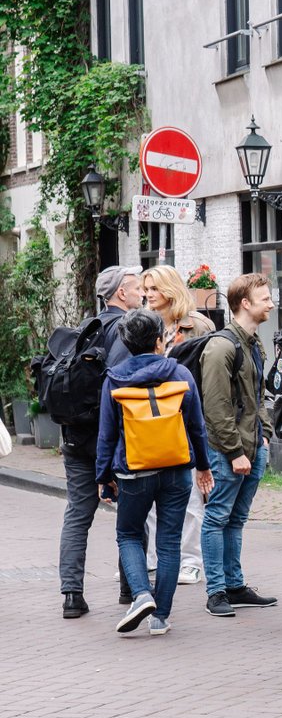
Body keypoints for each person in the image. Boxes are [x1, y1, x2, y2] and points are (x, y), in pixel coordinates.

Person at [95, 309, 216, 636]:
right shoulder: (180, 374)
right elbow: (197, 426)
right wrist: (203, 466)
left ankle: (141, 594)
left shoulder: (114, 379)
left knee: (129, 534)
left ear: (126, 343)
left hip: (133, 471)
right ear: (160, 341)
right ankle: (160, 616)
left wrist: (103, 477)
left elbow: (107, 434)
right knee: (169, 542)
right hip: (177, 469)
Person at [58, 265, 138, 618]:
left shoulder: (84, 328)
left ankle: (72, 595)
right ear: (121, 293)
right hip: (114, 439)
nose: (141, 292)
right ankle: (131, 587)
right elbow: (121, 385)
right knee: (132, 515)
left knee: (78, 515)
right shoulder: (124, 329)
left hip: (76, 437)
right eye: (136, 287)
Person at [198, 273, 279, 618]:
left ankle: (234, 586)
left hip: (253, 445)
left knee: (236, 519)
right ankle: (216, 591)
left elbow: (258, 394)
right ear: (245, 303)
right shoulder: (221, 346)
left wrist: (264, 434)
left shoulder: (253, 342)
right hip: (227, 450)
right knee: (217, 517)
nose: (271, 303)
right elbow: (215, 407)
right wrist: (234, 451)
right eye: (265, 298)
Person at [140, 265, 215, 586]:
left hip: (185, 417)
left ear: (170, 290)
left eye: (154, 288)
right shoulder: (143, 324)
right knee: (150, 494)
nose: (148, 294)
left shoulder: (197, 325)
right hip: (150, 418)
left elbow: (210, 372)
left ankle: (190, 561)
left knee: (191, 494)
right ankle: (153, 559)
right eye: (145, 289)